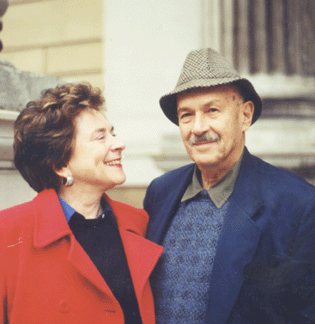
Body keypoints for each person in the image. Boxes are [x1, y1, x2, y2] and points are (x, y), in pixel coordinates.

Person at [144, 48, 315, 323]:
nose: (198, 127)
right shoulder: (160, 192)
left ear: (245, 116)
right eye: (186, 115)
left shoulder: (298, 204)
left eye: (212, 110)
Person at [0, 82, 163, 324]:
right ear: (60, 165)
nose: (119, 144)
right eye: (100, 137)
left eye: (113, 133)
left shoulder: (137, 223)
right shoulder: (9, 232)